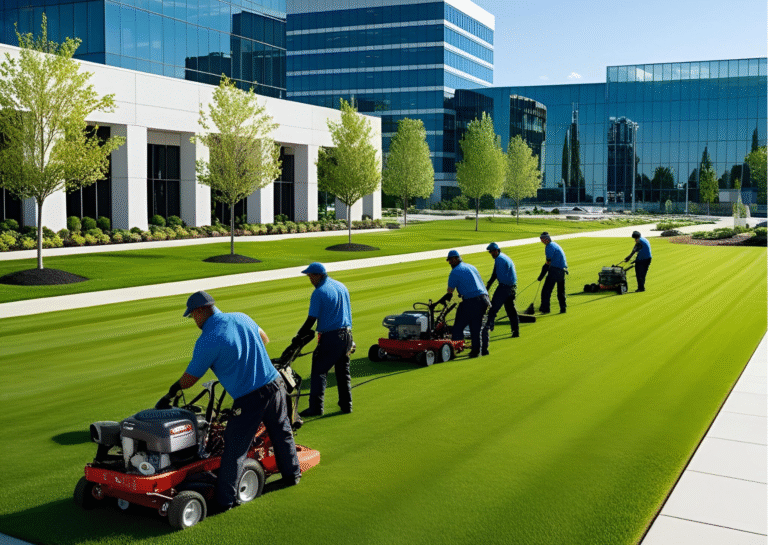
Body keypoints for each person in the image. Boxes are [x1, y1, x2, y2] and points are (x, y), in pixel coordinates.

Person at [156, 290, 300, 511]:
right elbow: (264, 338)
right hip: (275, 385)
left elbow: (190, 379)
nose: (194, 320)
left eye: (193, 315)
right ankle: (292, 476)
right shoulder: (242, 317)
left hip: (250, 398)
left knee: (234, 449)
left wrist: (172, 390)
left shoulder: (208, 339)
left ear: (201, 311)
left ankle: (225, 501)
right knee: (282, 432)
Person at [296, 262, 354, 417]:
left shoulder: (319, 292)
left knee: (319, 371)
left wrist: (298, 336)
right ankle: (346, 404)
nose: (310, 280)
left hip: (331, 337)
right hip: (347, 336)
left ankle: (316, 408)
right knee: (343, 372)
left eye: (311, 276)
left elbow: (311, 320)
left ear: (318, 275)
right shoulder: (341, 286)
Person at [438, 250, 490, 358]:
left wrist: (440, 302)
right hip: (484, 299)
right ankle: (481, 350)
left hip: (471, 300)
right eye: (449, 261)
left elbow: (449, 293)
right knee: (476, 326)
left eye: (451, 260)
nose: (450, 263)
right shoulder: (471, 267)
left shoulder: (455, 271)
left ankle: (456, 348)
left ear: (457, 259)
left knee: (458, 327)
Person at [482, 243, 520, 344]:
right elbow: (494, 274)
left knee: (493, 307)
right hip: (511, 287)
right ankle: (516, 331)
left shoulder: (500, 260)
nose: (491, 254)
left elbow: (498, 275)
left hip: (505, 287)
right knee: (511, 310)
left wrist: (488, 287)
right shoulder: (503, 257)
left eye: (492, 252)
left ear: (496, 250)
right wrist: (488, 286)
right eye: (490, 252)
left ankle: (488, 329)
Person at [538, 232, 568, 314]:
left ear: (547, 239)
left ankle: (545, 309)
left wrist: (542, 274)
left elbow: (548, 262)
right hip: (562, 270)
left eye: (542, 239)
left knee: (546, 291)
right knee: (561, 291)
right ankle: (563, 308)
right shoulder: (554, 244)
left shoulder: (549, 247)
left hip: (555, 270)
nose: (542, 241)